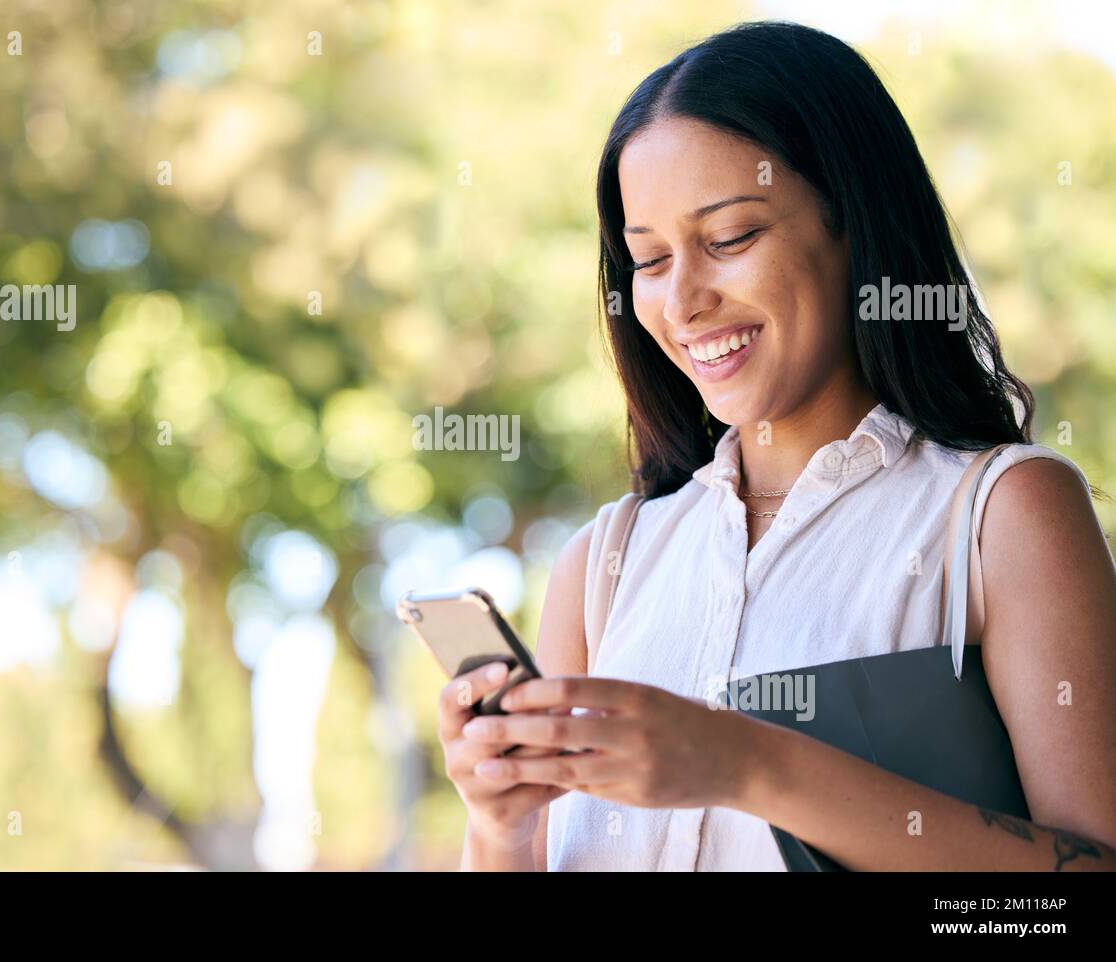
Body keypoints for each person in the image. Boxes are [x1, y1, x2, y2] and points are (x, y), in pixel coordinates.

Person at [439, 20, 1116, 871]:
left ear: (853, 222)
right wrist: (500, 830)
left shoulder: (1000, 513)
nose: (682, 301)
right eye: (647, 260)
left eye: (730, 239)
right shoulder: (600, 569)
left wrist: (749, 762)